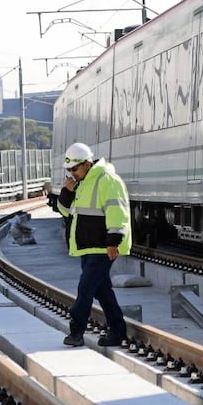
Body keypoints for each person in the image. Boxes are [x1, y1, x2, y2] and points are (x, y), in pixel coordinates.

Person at [56, 142, 132, 347]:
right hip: (87, 246)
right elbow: (64, 211)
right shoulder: (81, 182)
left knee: (86, 287)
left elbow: (117, 213)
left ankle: (76, 332)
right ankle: (117, 331)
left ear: (87, 163)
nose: (72, 173)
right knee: (101, 290)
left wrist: (113, 242)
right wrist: (66, 191)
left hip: (103, 246)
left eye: (75, 168)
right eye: (69, 170)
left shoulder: (107, 180)